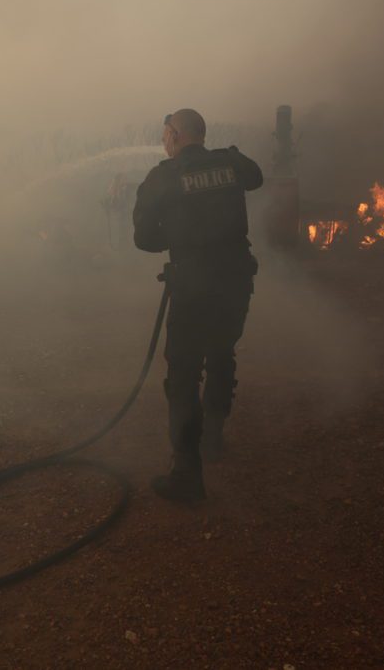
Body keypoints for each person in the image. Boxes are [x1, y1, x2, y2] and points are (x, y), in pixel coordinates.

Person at [133, 108, 262, 504]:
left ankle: (187, 475)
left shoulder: (162, 178)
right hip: (235, 281)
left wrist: (178, 235)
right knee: (222, 353)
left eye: (164, 135)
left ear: (174, 135)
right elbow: (255, 177)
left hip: (192, 288)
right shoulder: (230, 163)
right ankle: (213, 439)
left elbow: (144, 239)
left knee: (184, 375)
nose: (163, 142)